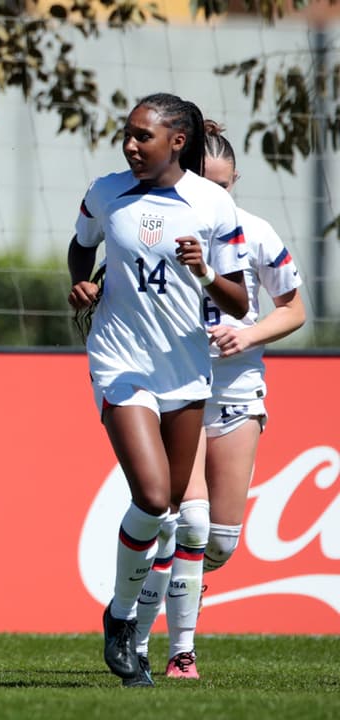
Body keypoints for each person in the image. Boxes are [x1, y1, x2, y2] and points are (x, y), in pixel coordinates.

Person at [66, 92, 249, 688]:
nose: (130, 145)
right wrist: (81, 284)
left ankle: (138, 633)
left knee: (172, 510)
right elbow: (81, 245)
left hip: (185, 368)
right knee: (150, 496)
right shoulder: (105, 192)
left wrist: (204, 272)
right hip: (121, 363)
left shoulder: (213, 204)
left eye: (143, 136)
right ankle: (120, 621)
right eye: (127, 134)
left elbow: (240, 301)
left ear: (177, 142)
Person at [130, 121, 306, 680]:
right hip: (180, 387)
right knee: (190, 522)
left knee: (220, 542)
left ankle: (155, 590)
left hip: (235, 390)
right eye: (208, 184)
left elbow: (294, 308)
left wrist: (249, 334)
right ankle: (172, 650)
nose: (216, 196)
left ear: (235, 184)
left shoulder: (252, 232)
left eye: (225, 186)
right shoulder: (155, 224)